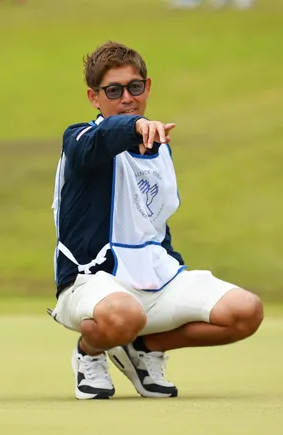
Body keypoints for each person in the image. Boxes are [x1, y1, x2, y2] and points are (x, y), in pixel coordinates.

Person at [49, 42, 264, 400]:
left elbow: (153, 224)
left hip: (155, 281)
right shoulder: (81, 138)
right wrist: (136, 125)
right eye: (113, 91)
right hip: (90, 283)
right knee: (124, 315)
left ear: (147, 87)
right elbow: (99, 141)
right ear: (93, 97)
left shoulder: (161, 148)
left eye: (135, 87)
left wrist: (173, 266)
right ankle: (90, 352)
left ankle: (145, 348)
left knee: (246, 312)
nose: (127, 98)